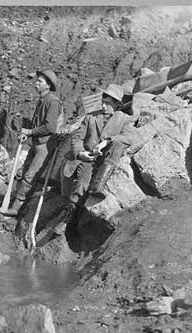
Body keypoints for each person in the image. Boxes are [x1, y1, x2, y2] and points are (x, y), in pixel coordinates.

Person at [55, 84, 134, 233]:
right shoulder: (91, 116)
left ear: (117, 105)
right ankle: (69, 212)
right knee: (80, 180)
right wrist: (80, 153)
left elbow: (129, 137)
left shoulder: (124, 119)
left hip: (104, 161)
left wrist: (108, 140)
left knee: (117, 144)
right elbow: (77, 138)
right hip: (87, 157)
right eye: (103, 102)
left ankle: (72, 213)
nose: (104, 106)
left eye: (108, 104)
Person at [7, 69, 62, 216]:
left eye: (40, 81)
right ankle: (16, 202)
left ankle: (16, 209)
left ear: (48, 85)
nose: (36, 83)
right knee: (24, 173)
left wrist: (30, 132)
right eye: (37, 80)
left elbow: (50, 127)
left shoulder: (52, 102)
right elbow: (37, 123)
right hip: (36, 143)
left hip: (45, 145)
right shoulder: (42, 100)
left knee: (30, 176)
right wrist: (27, 134)